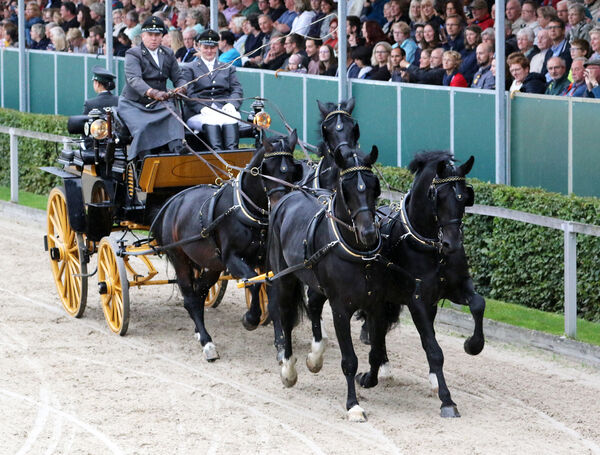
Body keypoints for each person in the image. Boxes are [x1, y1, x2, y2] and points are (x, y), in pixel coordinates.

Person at [118, 16, 187, 160]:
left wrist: (181, 87)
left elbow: (178, 77)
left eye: (157, 35)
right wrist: (152, 92)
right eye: (150, 35)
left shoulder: (168, 54)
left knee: (175, 117)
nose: (154, 38)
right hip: (134, 104)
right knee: (143, 127)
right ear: (143, 35)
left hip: (159, 104)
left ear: (162, 36)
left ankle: (177, 154)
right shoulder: (133, 54)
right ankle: (145, 161)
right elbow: (134, 79)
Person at [182, 29, 243, 150]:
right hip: (198, 112)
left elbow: (237, 88)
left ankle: (232, 156)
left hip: (223, 108)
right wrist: (201, 107)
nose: (209, 51)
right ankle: (217, 154)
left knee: (231, 119)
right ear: (199, 46)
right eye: (206, 47)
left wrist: (232, 104)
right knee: (212, 121)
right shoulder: (190, 68)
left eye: (213, 47)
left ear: (217, 47)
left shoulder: (227, 67)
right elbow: (188, 92)